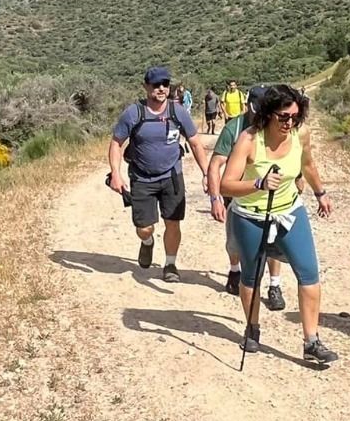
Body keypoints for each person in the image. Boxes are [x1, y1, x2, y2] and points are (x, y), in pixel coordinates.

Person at [220, 84, 338, 367]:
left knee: (308, 273)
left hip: (288, 211)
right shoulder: (249, 139)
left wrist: (320, 193)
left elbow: (307, 165)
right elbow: (226, 184)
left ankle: (311, 341)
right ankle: (252, 329)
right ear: (268, 114)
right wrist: (258, 183)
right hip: (250, 215)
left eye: (295, 117)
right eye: (283, 117)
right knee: (251, 277)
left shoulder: (300, 134)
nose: (289, 123)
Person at [108, 66, 211, 282]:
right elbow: (116, 143)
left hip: (172, 176)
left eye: (165, 84)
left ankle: (170, 264)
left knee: (173, 222)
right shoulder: (134, 113)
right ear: (146, 87)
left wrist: (206, 173)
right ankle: (147, 242)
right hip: (142, 178)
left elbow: (195, 143)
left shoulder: (177, 112)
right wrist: (116, 174)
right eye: (156, 85)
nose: (161, 88)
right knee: (144, 228)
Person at [208, 84, 286, 305]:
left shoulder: (275, 127)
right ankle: (235, 271)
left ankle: (274, 285)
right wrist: (215, 199)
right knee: (234, 241)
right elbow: (215, 165)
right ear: (248, 106)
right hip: (237, 193)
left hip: (269, 192)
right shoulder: (234, 129)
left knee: (272, 240)